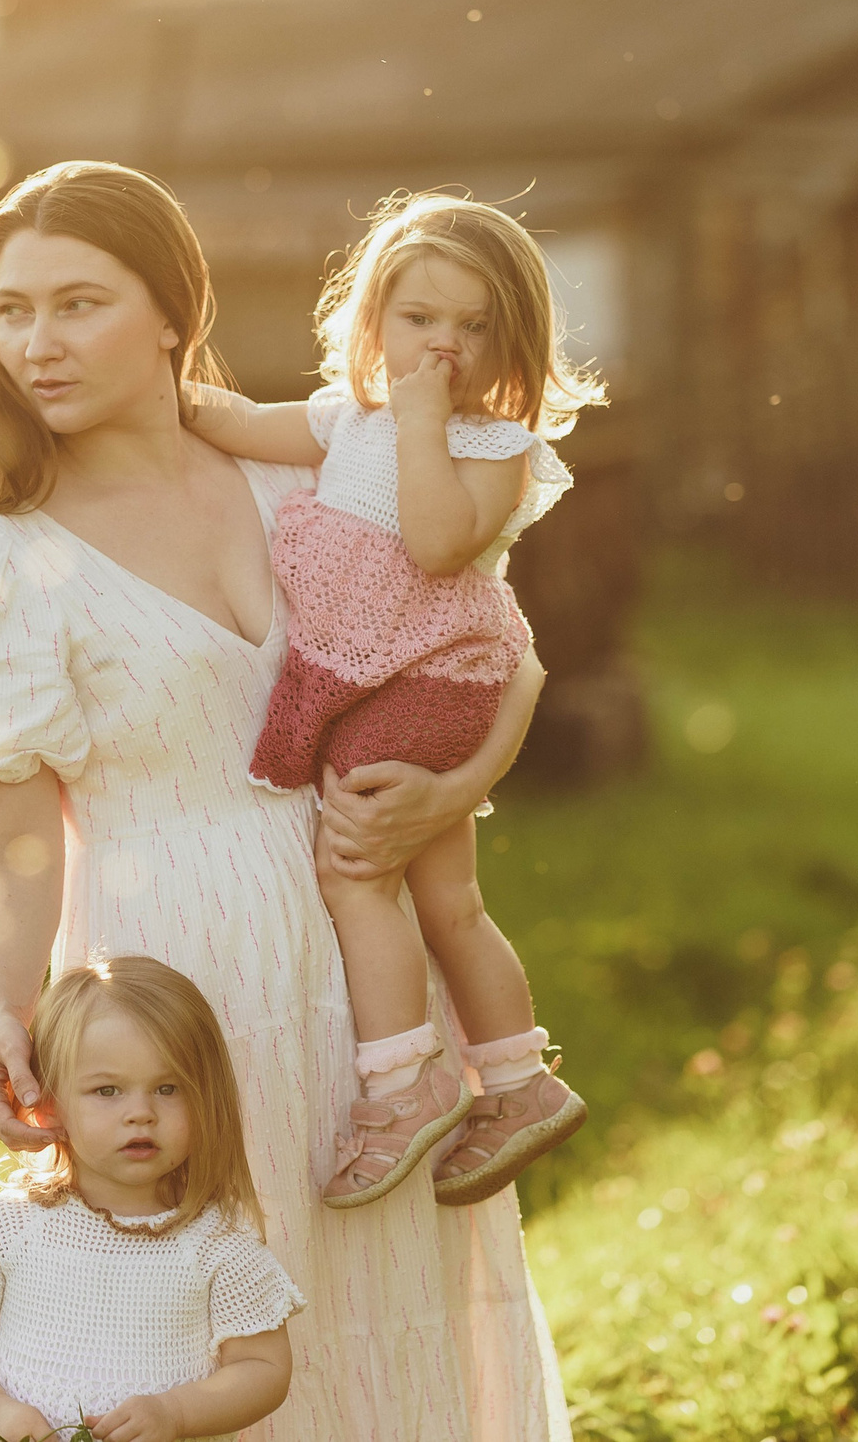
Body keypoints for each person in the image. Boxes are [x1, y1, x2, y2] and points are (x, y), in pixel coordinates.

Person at [0, 160, 569, 1439]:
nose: (38, 342)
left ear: (170, 312)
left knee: (389, 1328)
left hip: (374, 1003)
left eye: (78, 302)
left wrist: (452, 790)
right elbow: (10, 840)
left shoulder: (313, 476)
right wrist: (0, 999)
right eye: (12, 311)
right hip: (174, 997)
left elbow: (496, 654)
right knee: (209, 1351)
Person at [183, 194, 604, 1210]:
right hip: (387, 681)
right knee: (448, 900)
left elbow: (434, 542)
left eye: (473, 327)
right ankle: (515, 1083)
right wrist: (165, 385)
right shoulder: (344, 418)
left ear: (514, 341)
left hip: (429, 682)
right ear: (374, 322)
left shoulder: (495, 452)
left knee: (357, 869)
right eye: (421, 320)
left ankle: (403, 1079)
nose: (444, 346)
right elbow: (237, 422)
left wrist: (419, 424)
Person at [0, 957, 302, 1442]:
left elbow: (263, 1367)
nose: (140, 1113)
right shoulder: (11, 1226)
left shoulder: (219, 1243)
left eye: (168, 1088)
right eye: (107, 1091)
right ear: (51, 1103)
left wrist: (176, 1413)